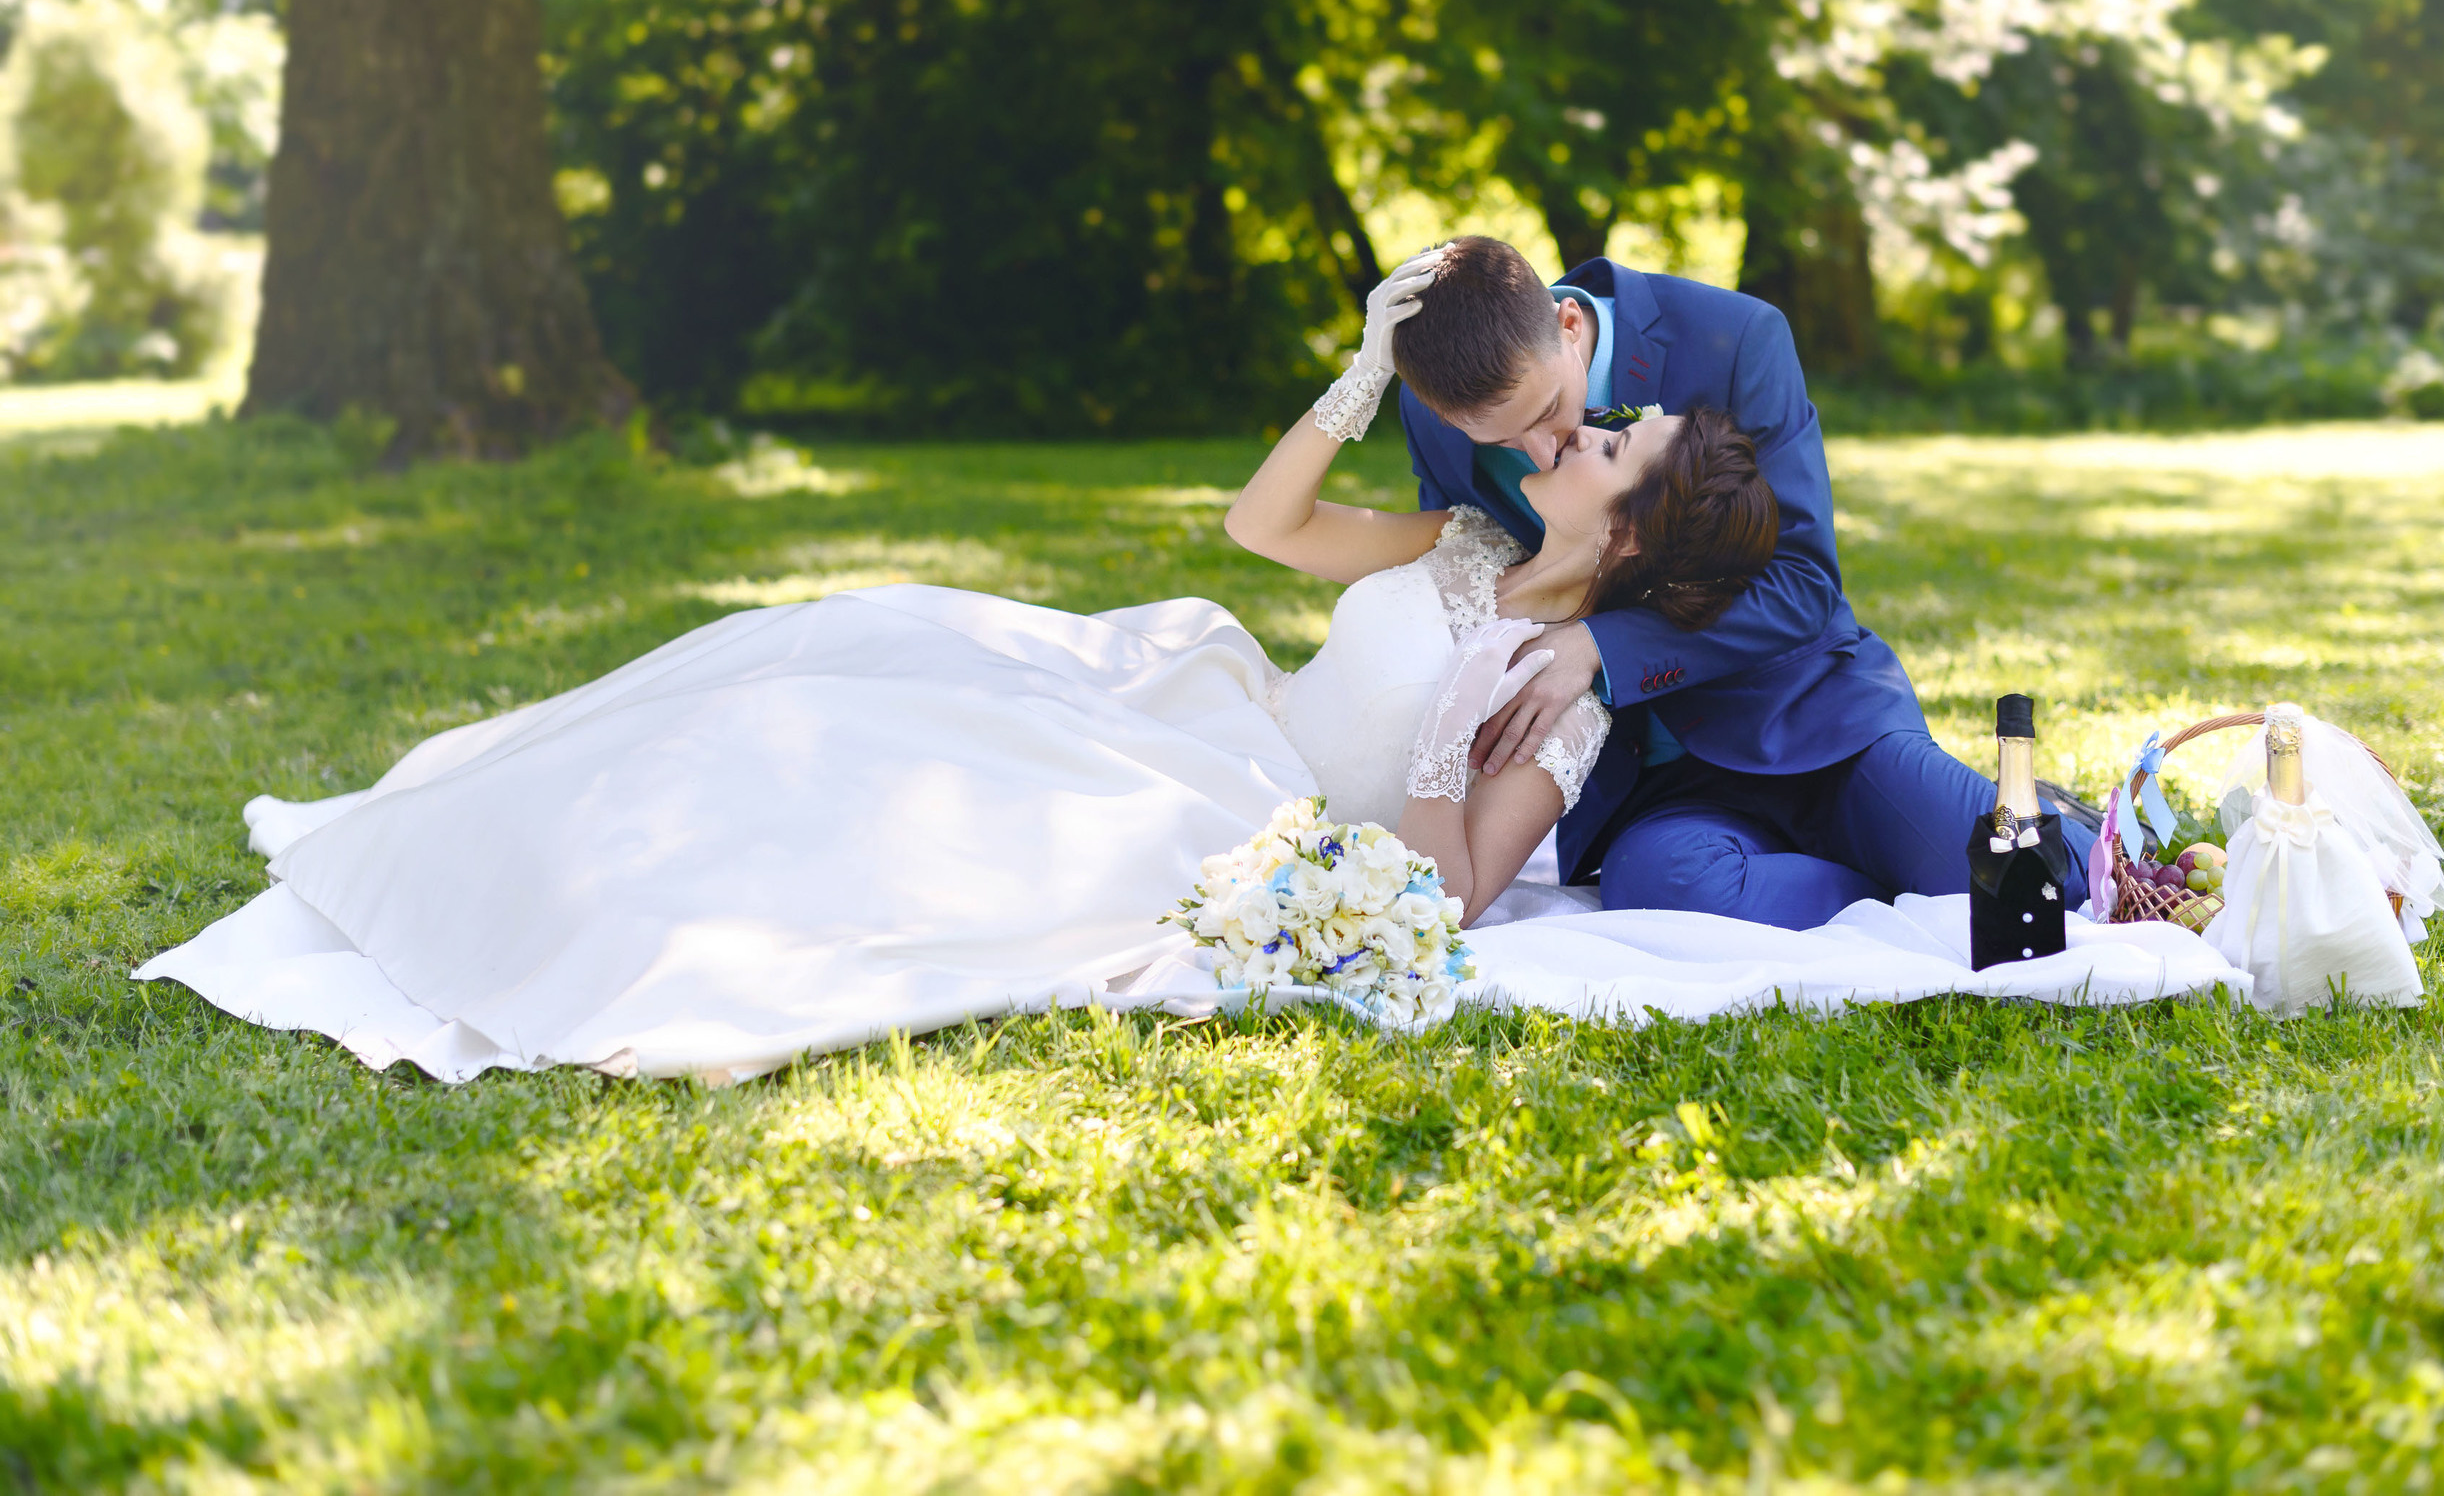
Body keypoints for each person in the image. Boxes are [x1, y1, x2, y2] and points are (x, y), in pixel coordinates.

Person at [135, 251, 1779, 1082]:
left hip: (1229, 805)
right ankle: (472, 834)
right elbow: (1263, 524)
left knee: (850, 779)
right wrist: (1359, 370)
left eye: (1610, 449)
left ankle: (591, 917)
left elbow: (1457, 899)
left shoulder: (1560, 694)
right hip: (1194, 699)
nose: (1590, 423)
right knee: (829, 655)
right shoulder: (1456, 543)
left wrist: (1460, 734)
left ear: (1625, 543)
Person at [1390, 235, 2097, 928]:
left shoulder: (1735, 337)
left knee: (2038, 878)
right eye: (1504, 444)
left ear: (1569, 326)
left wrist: (1602, 648)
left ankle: (2030, 825)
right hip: (1656, 789)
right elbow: (1454, 570)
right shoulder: (1447, 410)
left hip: (1812, 726)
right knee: (1657, 883)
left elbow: (1802, 581)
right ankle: (1882, 875)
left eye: (1547, 415)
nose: (1539, 453)